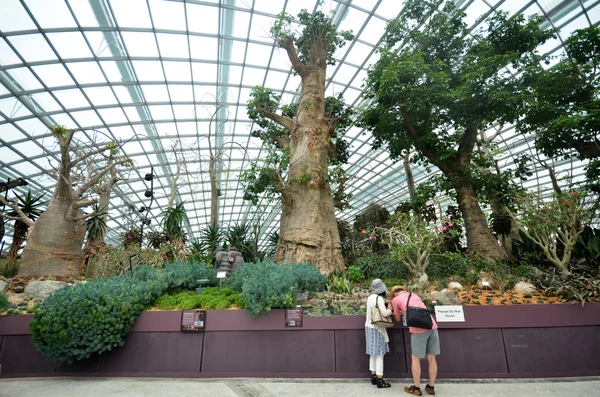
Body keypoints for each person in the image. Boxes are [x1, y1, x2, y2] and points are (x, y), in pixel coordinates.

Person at [391, 286, 440, 396]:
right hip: (432, 326)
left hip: (418, 330)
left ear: (394, 294)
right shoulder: (414, 295)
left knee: (415, 359)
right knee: (432, 358)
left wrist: (393, 308)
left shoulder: (396, 300)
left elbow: (398, 319)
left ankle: (416, 388)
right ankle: (431, 387)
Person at [365, 279, 393, 388]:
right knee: (380, 354)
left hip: (368, 327)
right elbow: (385, 313)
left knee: (373, 353)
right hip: (377, 328)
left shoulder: (370, 297)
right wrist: (390, 308)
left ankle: (373, 377)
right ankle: (380, 380)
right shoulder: (379, 299)